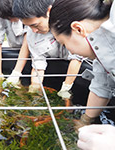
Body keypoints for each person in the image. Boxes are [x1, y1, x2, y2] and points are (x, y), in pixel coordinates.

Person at [49, 0, 115, 147]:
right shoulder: (100, 48)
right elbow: (102, 83)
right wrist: (85, 120)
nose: (70, 52)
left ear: (78, 29)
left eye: (64, 44)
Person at [12, 0, 83, 97]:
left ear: (49, 11)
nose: (34, 30)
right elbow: (38, 63)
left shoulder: (71, 22)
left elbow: (77, 57)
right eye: (29, 26)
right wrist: (35, 88)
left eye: (35, 25)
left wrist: (66, 87)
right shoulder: (32, 34)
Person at [0, 0, 29, 89]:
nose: (11, 20)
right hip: (14, 47)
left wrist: (16, 72)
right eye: (8, 18)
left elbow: (28, 39)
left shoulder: (27, 4)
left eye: (13, 17)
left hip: (35, 46)